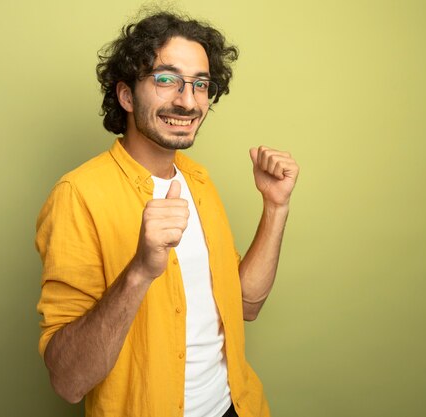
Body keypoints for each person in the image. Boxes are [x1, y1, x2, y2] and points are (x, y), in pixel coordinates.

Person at [35, 11, 299, 417]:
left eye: (200, 84)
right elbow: (69, 382)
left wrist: (276, 206)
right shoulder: (78, 195)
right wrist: (140, 269)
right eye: (165, 79)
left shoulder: (199, 181)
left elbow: (245, 304)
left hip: (237, 406)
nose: (187, 100)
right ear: (126, 95)